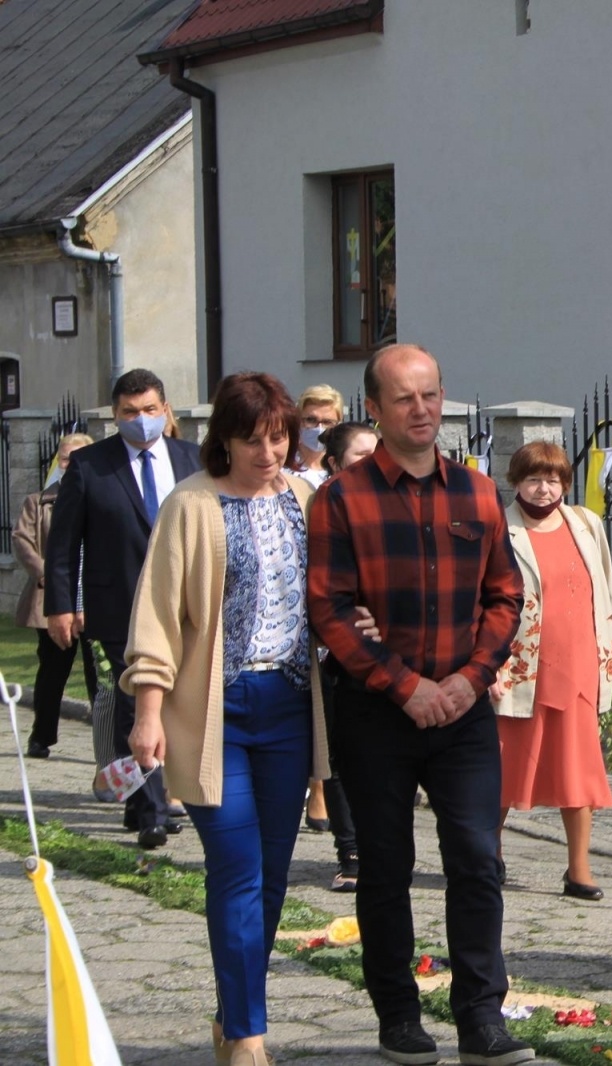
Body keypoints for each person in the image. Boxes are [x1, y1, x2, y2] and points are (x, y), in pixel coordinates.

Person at [307, 344, 532, 1066]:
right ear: (373, 407)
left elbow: (505, 596)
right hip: (377, 713)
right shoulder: (341, 500)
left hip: (463, 711)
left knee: (475, 858)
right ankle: (399, 1017)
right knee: (386, 863)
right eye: (405, 398)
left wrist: (468, 680)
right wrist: (406, 686)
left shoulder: (474, 493)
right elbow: (330, 611)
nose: (422, 410)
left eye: (431, 395)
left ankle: (481, 1019)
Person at [122, 372, 331, 1066]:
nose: (269, 452)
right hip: (213, 711)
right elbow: (157, 613)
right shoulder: (192, 504)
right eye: (253, 441)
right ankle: (247, 1037)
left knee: (272, 873)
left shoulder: (305, 499)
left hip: (291, 707)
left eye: (279, 438)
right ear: (224, 440)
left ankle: (233, 1010)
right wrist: (147, 711)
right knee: (237, 867)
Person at [45, 368, 202, 849]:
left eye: (150, 411)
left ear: (165, 410)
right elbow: (64, 544)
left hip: (184, 606)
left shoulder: (191, 459)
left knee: (176, 703)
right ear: (116, 416)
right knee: (138, 700)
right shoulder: (91, 466)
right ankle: (154, 810)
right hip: (120, 605)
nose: (141, 420)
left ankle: (142, 799)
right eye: (130, 413)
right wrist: (60, 606)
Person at [489, 441, 612, 900]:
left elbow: (604, 587)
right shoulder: (497, 529)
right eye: (533, 479)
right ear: (515, 481)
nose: (543, 489)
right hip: (518, 667)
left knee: (577, 768)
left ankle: (579, 868)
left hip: (579, 662)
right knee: (504, 766)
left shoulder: (587, 524)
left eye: (553, 480)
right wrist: (485, 663)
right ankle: (490, 856)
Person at [311, 421, 380, 893]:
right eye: (361, 455)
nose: (374, 462)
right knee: (340, 755)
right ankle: (351, 850)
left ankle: (380, 847)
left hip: (391, 648)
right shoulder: (324, 505)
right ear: (334, 465)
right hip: (336, 651)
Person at [15, 433, 98, 759]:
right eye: (66, 458)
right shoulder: (40, 501)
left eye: (79, 457)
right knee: (52, 673)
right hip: (53, 601)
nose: (71, 464)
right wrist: (47, 573)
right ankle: (42, 736)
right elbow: (22, 540)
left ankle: (104, 741)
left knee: (100, 676)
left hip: (95, 602)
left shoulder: (103, 499)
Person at [289, 383, 344, 489]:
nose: (319, 427)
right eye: (311, 420)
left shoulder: (341, 468)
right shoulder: (283, 467)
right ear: (298, 421)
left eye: (327, 422)